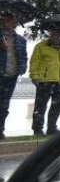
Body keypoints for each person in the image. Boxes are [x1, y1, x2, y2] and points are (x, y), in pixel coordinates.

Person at [30, 25, 60, 136]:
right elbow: (34, 63)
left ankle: (52, 128)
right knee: (40, 106)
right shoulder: (41, 46)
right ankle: (37, 130)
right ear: (50, 33)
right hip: (45, 81)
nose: (57, 35)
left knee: (57, 106)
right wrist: (34, 77)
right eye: (55, 33)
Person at [0, 11, 28, 140]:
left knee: (5, 104)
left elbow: (24, 56)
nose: (8, 22)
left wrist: (23, 67)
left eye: (11, 20)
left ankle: (0, 130)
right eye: (6, 20)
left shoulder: (21, 40)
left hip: (12, 75)